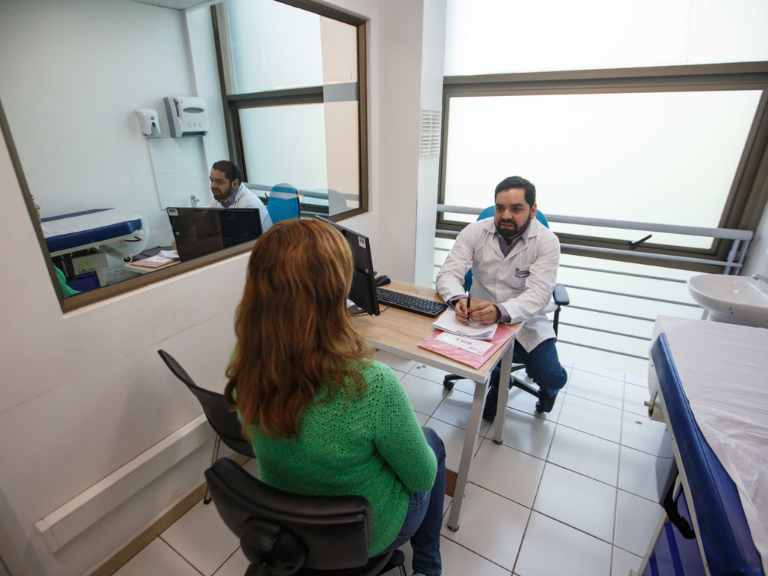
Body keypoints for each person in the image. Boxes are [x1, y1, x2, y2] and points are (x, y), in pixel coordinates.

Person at [224, 219, 445, 576]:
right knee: (432, 443)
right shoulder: (372, 384)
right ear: (332, 293)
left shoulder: (245, 363)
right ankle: (429, 567)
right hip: (366, 538)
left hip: (290, 527)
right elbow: (422, 479)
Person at [436, 175, 567, 419]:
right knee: (469, 359)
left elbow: (539, 295)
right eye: (500, 208)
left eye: (516, 209)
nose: (506, 215)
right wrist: (457, 299)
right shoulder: (475, 231)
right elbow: (447, 274)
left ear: (532, 210)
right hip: (477, 317)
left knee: (550, 376)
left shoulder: (547, 242)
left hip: (526, 321)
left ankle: (549, 390)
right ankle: (497, 382)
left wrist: (499, 311)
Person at [208, 160, 273, 233]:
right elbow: (210, 225)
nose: (213, 186)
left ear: (235, 184)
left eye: (219, 182)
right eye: (212, 180)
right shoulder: (219, 197)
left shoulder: (249, 204)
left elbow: (246, 238)